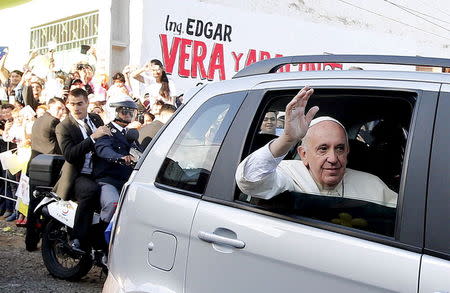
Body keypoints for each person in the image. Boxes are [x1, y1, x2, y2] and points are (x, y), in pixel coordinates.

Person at [235, 86, 397, 207]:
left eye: (340, 148)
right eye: (323, 149)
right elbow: (250, 180)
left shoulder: (372, 184)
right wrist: (287, 139)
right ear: (303, 154)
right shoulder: (289, 174)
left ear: (348, 152)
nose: (333, 159)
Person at [53, 88, 111, 254]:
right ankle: (77, 238)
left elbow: (106, 139)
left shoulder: (95, 118)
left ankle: (105, 241)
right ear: (67, 105)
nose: (76, 108)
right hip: (78, 175)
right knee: (90, 191)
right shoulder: (63, 127)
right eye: (72, 104)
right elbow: (70, 155)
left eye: (80, 103)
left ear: (87, 103)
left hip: (100, 171)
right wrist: (93, 137)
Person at [25, 97, 65, 251]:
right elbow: (61, 146)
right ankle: (48, 242)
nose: (61, 112)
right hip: (48, 168)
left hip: (35, 166)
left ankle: (30, 242)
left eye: (62, 109)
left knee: (33, 205)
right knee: (49, 206)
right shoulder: (54, 122)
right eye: (58, 108)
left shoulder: (38, 120)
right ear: (50, 107)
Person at [93, 98, 138, 229]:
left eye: (131, 112)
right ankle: (100, 241)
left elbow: (139, 152)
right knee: (112, 203)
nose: (128, 115)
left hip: (125, 181)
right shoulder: (106, 131)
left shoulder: (129, 134)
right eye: (124, 112)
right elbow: (103, 149)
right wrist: (120, 157)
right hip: (108, 180)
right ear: (115, 112)